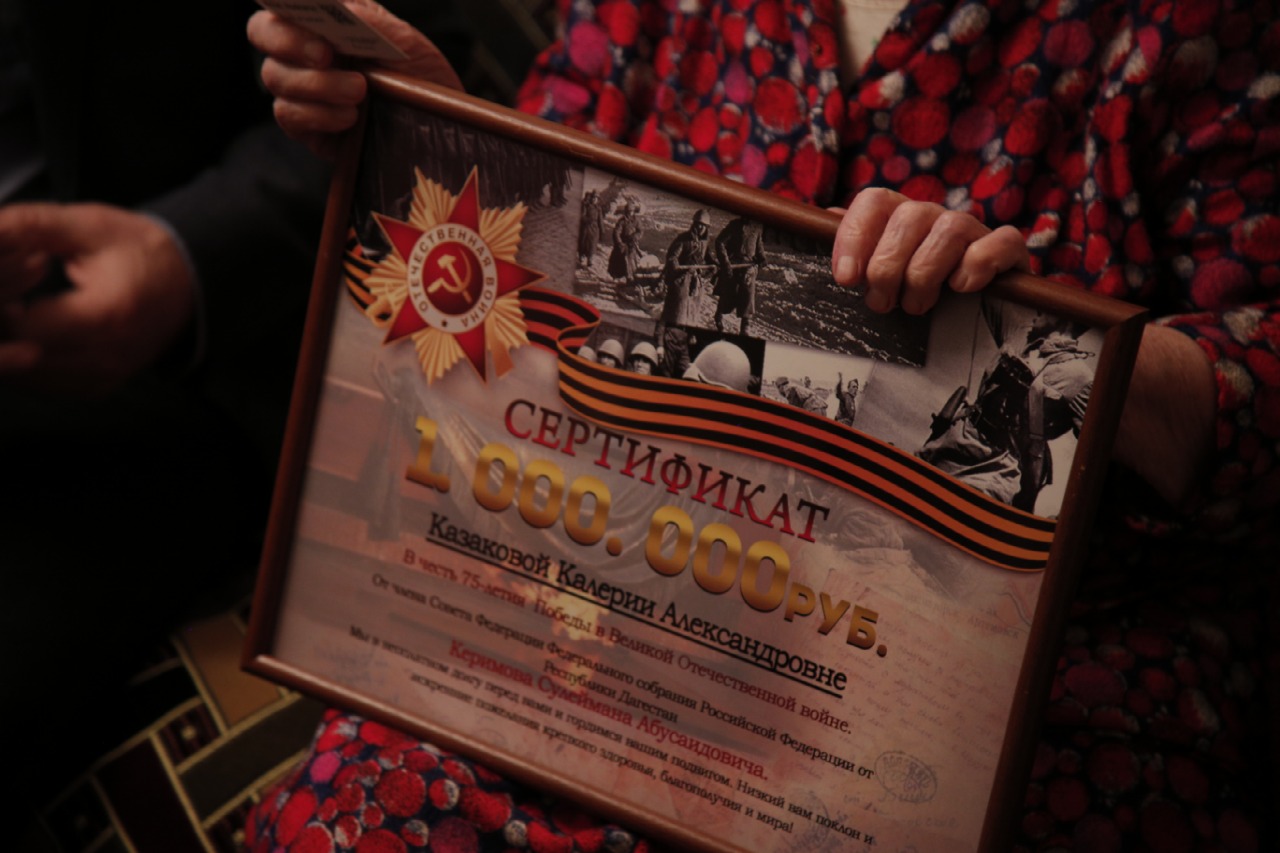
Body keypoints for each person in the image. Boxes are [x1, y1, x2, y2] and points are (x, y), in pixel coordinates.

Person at [249, 1, 1278, 849]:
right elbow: (543, 265)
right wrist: (440, 138)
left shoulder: (1193, 25)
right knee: (362, 810)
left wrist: (1043, 341)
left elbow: (1260, 373)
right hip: (619, 592)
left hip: (999, 678)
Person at [920, 303, 1094, 511]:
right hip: (950, 445)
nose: (1038, 307)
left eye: (1050, 302)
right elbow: (990, 296)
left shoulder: (1080, 378)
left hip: (995, 471)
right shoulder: (1019, 334)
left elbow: (1098, 452)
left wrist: (1069, 516)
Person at [654, 209, 714, 353]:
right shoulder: (683, 239)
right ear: (694, 224)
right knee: (675, 310)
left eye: (703, 225)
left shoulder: (706, 242)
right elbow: (672, 256)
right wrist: (675, 263)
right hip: (680, 280)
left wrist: (714, 266)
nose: (700, 227)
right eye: (698, 224)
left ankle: (687, 335)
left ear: (707, 228)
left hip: (695, 282)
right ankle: (663, 336)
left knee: (693, 310)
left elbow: (709, 259)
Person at [711, 215, 766, 335]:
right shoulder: (734, 225)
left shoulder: (757, 227)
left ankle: (745, 325)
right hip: (733, 266)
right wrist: (725, 263)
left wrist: (762, 258)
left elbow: (759, 245)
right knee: (728, 293)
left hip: (749, 267)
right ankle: (719, 315)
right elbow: (720, 242)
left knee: (748, 295)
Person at [607, 200, 643, 287]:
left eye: (631, 211)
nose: (630, 213)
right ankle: (617, 277)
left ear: (634, 211)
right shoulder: (622, 221)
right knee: (619, 262)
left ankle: (630, 278)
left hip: (632, 244)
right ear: (626, 211)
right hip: (622, 244)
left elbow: (640, 231)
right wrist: (620, 243)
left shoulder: (637, 221)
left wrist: (635, 236)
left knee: (631, 261)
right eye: (628, 211)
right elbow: (616, 232)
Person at [578, 189, 605, 268]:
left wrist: (602, 230)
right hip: (586, 228)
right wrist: (588, 220)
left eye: (596, 198)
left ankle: (590, 259)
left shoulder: (598, 208)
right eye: (593, 197)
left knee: (592, 244)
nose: (594, 199)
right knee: (584, 243)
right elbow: (582, 216)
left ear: (598, 200)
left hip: (595, 229)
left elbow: (600, 220)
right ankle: (582, 256)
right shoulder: (586, 206)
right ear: (591, 198)